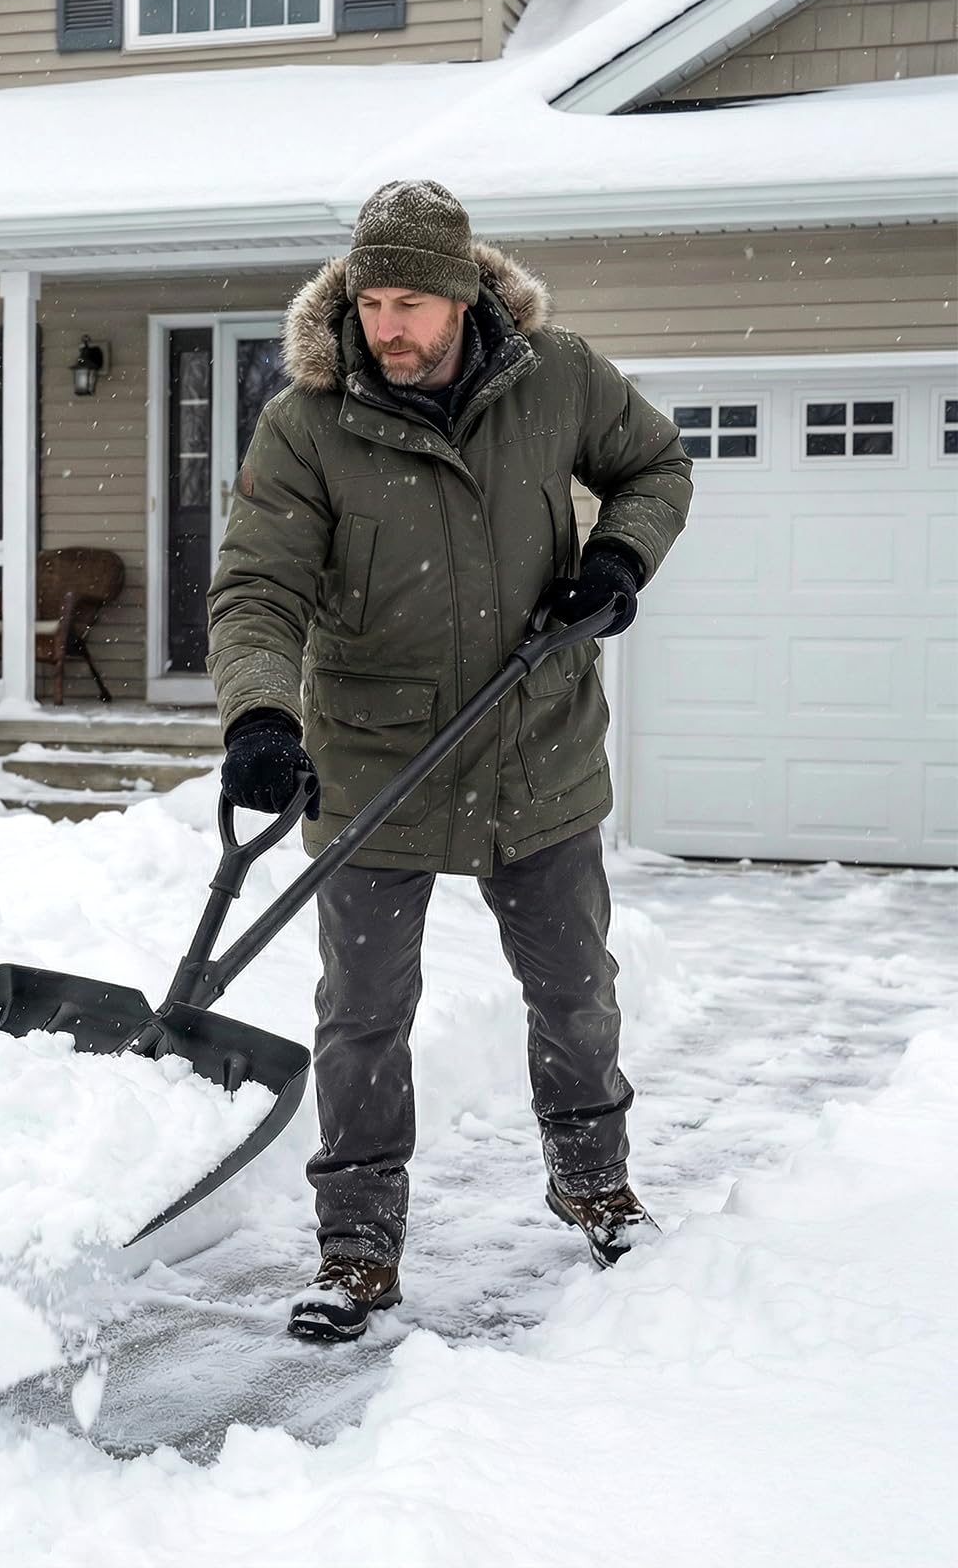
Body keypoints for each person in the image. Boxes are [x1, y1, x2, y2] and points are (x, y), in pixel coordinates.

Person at [206, 180, 693, 1343]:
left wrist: (616, 561)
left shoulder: (558, 377)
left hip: (537, 740)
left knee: (574, 990)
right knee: (363, 1014)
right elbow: (257, 589)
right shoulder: (305, 425)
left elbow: (657, 466)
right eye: (372, 300)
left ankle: (593, 1183)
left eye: (412, 301)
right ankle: (357, 1247)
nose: (391, 327)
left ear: (465, 294)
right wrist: (259, 718)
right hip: (377, 760)